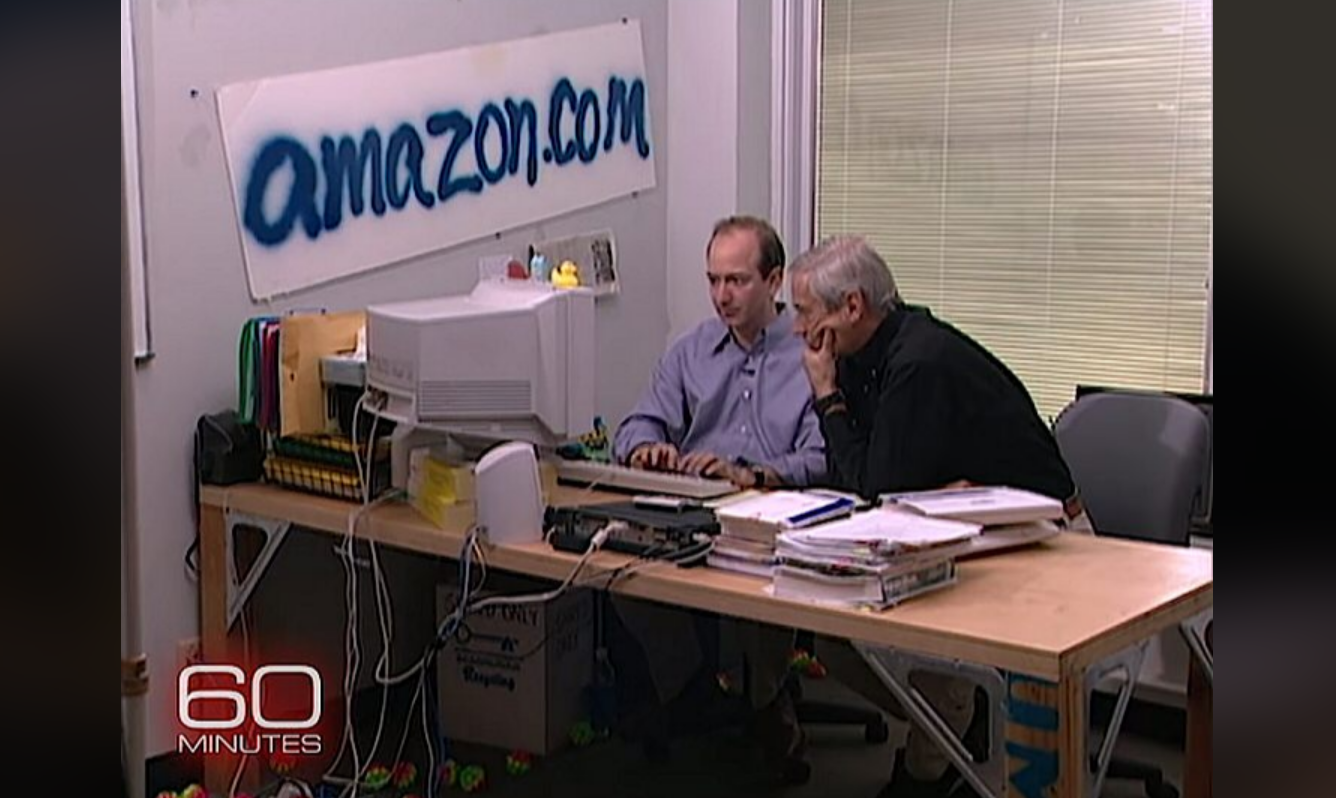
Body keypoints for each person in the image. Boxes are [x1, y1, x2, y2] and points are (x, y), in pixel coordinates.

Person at [788, 235, 1086, 798]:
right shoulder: (865, 355)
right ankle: (951, 723)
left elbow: (874, 487)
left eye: (804, 312)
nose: (798, 331)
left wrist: (826, 393)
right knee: (831, 632)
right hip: (965, 529)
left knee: (888, 620)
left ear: (851, 307)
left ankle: (943, 741)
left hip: (1046, 539)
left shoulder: (917, 361)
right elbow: (864, 477)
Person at [609, 215, 825, 773]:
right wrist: (646, 448)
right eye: (712, 280)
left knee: (758, 593)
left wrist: (751, 473)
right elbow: (633, 425)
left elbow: (825, 458)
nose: (721, 296)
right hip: (690, 512)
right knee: (620, 576)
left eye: (736, 281)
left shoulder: (811, 353)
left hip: (769, 517)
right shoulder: (690, 350)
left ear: (773, 281)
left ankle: (765, 701)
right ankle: (693, 689)